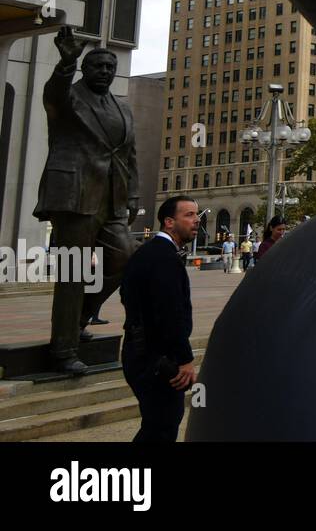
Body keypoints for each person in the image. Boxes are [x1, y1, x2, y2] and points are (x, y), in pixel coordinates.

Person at [35, 26, 139, 375]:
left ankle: (78, 319)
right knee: (72, 273)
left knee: (125, 259)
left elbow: (130, 155)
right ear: (86, 69)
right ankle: (62, 350)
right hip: (75, 194)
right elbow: (54, 93)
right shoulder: (69, 98)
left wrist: (133, 194)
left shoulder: (122, 108)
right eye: (98, 66)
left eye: (110, 67)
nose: (106, 72)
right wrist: (66, 62)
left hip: (113, 198)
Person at [119, 196, 199, 442]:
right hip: (156, 358)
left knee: (157, 424)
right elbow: (170, 313)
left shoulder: (148, 253)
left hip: (141, 352)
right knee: (162, 426)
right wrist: (185, 358)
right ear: (168, 222)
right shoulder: (164, 258)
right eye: (188, 215)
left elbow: (128, 296)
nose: (196, 221)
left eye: (197, 215)